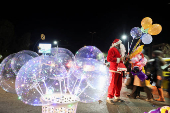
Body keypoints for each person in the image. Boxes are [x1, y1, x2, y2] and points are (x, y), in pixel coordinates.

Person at [106, 39, 125, 104]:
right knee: (113, 84)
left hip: (119, 69)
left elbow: (120, 60)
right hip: (114, 69)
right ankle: (109, 97)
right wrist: (119, 59)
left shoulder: (119, 51)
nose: (121, 44)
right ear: (117, 44)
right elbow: (109, 59)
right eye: (120, 43)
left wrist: (124, 58)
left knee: (119, 84)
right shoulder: (112, 49)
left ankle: (117, 97)